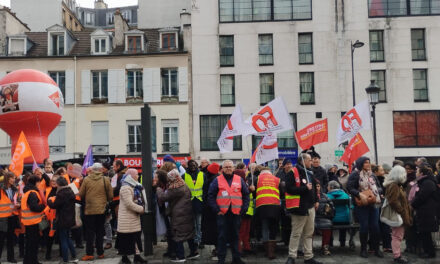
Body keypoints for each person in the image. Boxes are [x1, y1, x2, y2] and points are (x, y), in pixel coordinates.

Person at [208, 160, 250, 264]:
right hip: (223, 214)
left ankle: (236, 258)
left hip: (236, 213)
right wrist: (216, 210)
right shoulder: (217, 180)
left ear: (233, 168)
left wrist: (243, 209)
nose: (228, 169)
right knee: (222, 237)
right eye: (226, 167)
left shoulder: (239, 179)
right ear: (222, 169)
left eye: (230, 167)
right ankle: (221, 259)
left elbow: (246, 195)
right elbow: (210, 196)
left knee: (235, 236)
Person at [285, 153, 321, 264]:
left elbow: (314, 189)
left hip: (310, 207)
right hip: (299, 208)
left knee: (309, 233)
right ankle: (292, 257)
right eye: (310, 160)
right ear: (303, 161)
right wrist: (304, 188)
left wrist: (316, 200)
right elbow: (289, 189)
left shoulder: (310, 173)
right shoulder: (293, 172)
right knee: (296, 233)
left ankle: (308, 257)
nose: (311, 162)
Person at [156, 169, 200, 263]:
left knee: (178, 234)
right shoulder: (184, 184)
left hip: (178, 214)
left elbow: (163, 197)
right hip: (187, 212)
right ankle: (194, 252)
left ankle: (180, 256)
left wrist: (159, 190)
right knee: (189, 233)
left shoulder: (175, 188)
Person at [347, 156, 384, 259]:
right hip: (362, 204)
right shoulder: (355, 174)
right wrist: (359, 194)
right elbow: (349, 187)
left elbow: (380, 187)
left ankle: (376, 249)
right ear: (360, 164)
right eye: (365, 163)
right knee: (364, 226)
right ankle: (363, 249)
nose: (368, 164)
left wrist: (376, 192)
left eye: (368, 162)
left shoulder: (372, 174)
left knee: (375, 226)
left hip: (373, 203)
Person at [79, 163, 113, 261]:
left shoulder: (86, 180)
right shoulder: (105, 179)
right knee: (99, 231)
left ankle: (89, 254)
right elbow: (110, 195)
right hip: (101, 209)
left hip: (89, 210)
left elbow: (81, 194)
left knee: (90, 232)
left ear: (92, 170)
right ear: (101, 170)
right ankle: (100, 253)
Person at [117, 169, 148, 264]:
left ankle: (136, 256)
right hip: (127, 218)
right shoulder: (126, 187)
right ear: (131, 176)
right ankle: (125, 258)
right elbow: (129, 204)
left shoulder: (133, 186)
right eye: (137, 174)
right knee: (126, 239)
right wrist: (141, 209)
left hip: (132, 217)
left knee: (135, 238)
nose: (138, 176)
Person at [383, 165, 412, 264]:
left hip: (398, 214)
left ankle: (397, 255)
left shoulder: (394, 184)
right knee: (397, 236)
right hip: (398, 215)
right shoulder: (394, 185)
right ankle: (397, 256)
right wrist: (402, 211)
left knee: (397, 235)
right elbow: (393, 201)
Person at [410, 162, 438, 259]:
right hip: (424, 211)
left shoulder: (428, 182)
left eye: (417, 171)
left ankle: (430, 252)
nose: (416, 172)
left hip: (427, 211)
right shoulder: (424, 181)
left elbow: (422, 196)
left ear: (421, 173)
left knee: (426, 232)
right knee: (424, 232)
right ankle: (428, 251)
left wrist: (413, 204)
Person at [47, 176, 78, 263]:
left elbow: (54, 205)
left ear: (59, 184)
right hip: (70, 218)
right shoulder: (70, 191)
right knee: (68, 238)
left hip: (62, 219)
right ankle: (74, 255)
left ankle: (65, 259)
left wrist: (49, 200)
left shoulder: (61, 194)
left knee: (63, 239)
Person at [255, 167, 281, 259]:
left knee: (265, 226)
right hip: (275, 205)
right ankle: (272, 252)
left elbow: (253, 191)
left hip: (261, 205)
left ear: (261, 172)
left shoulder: (257, 179)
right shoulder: (276, 179)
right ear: (270, 172)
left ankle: (266, 250)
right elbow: (281, 191)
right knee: (273, 227)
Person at [21, 175, 46, 264]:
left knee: (29, 244)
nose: (40, 184)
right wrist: (43, 205)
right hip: (33, 222)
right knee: (33, 244)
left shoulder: (27, 192)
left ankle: (29, 261)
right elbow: (34, 207)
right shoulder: (33, 193)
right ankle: (32, 261)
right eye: (39, 182)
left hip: (28, 222)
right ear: (36, 182)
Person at [183, 160, 205, 248]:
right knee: (192, 224)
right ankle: (193, 241)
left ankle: (198, 241)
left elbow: (206, 188)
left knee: (199, 224)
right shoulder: (184, 176)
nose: (193, 166)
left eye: (194, 165)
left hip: (199, 202)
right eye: (191, 165)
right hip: (189, 203)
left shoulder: (202, 175)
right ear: (188, 166)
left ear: (197, 165)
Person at [201, 162, 220, 261]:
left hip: (211, 209)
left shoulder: (212, 180)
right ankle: (217, 249)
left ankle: (218, 250)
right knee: (216, 230)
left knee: (214, 230)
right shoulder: (216, 178)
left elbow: (209, 195)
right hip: (213, 208)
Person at [372, 164, 391, 253]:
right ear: (376, 172)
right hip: (377, 204)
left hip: (383, 203)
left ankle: (386, 245)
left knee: (384, 224)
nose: (383, 172)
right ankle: (378, 246)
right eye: (381, 170)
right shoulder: (375, 181)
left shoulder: (385, 180)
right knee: (378, 224)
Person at [0, 172, 19, 263]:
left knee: (11, 238)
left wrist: (18, 204)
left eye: (14, 178)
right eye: (12, 178)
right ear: (7, 178)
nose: (13, 180)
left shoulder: (14, 189)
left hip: (12, 216)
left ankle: (11, 258)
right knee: (1, 239)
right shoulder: (1, 189)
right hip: (2, 218)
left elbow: (16, 201)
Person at [326, 181, 350, 249]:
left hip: (331, 220)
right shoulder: (345, 195)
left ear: (331, 187)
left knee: (328, 225)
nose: (327, 187)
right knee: (343, 228)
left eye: (328, 186)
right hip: (345, 219)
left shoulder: (327, 196)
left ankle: (330, 243)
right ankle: (342, 243)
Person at [314, 182, 334, 256]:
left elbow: (332, 208)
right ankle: (309, 248)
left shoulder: (325, 196)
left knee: (327, 225)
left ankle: (325, 247)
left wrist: (329, 210)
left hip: (323, 217)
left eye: (318, 186)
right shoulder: (309, 196)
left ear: (320, 187)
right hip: (312, 217)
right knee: (309, 227)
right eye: (315, 186)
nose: (317, 188)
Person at [43, 174, 59, 260]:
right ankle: (48, 253)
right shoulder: (47, 190)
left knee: (60, 235)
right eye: (53, 181)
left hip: (58, 216)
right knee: (49, 236)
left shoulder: (60, 190)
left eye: (56, 181)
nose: (54, 182)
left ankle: (61, 253)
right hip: (48, 217)